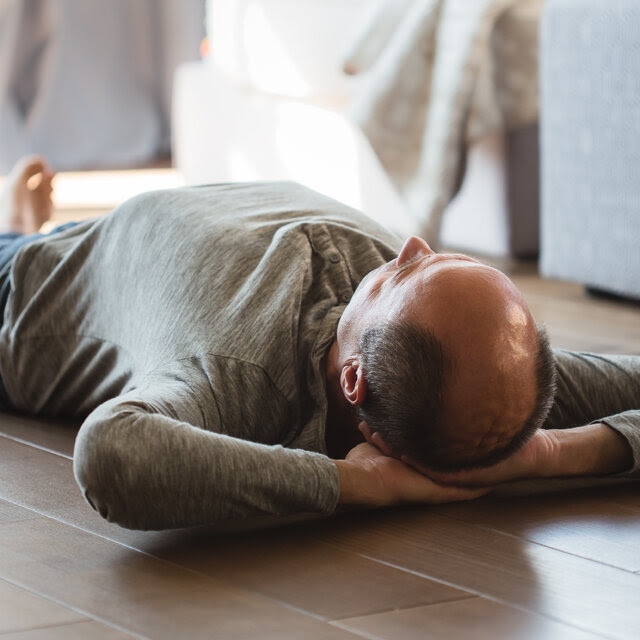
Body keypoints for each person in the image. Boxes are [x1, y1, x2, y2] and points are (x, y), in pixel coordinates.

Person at [0, 156, 638, 531]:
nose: (409, 246)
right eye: (442, 260)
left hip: (20, 296)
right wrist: (553, 451)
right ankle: (24, 226)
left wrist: (364, 486)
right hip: (97, 253)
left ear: (354, 381)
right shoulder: (448, 346)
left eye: (409, 273)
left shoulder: (231, 367)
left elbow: (114, 455)